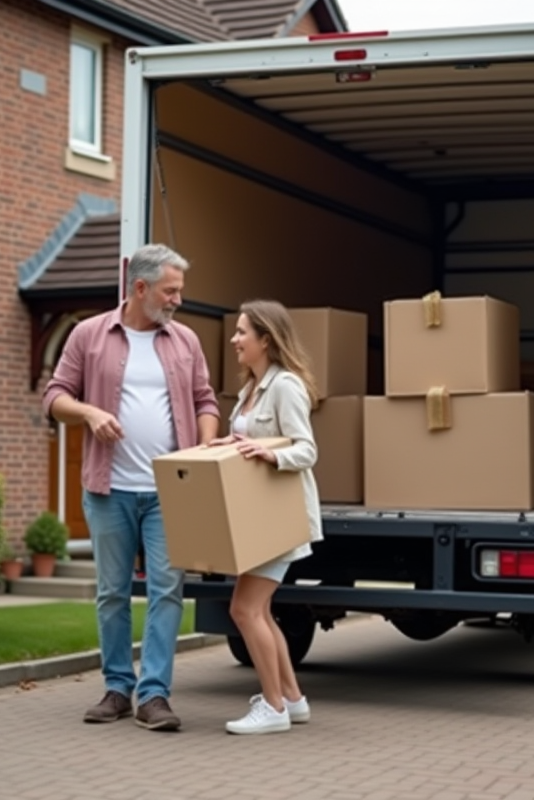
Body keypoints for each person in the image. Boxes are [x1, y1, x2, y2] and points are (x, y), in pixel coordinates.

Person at [42, 243, 219, 732]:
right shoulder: (89, 335)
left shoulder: (185, 340)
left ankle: (154, 696)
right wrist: (90, 412)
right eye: (171, 290)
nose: (178, 299)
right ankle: (118, 688)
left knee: (167, 592)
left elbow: (206, 400)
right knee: (112, 594)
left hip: (169, 491)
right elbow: (55, 396)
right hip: (109, 489)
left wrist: (203, 449)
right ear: (140, 289)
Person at [209, 299, 324, 735]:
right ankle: (292, 700)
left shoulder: (285, 386)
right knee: (260, 610)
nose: (235, 339)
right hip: (258, 518)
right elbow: (251, 439)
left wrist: (269, 455)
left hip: (279, 518)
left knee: (244, 609)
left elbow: (306, 449)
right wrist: (228, 443)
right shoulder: (251, 389)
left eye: (242, 332)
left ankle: (272, 708)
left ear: (266, 339)